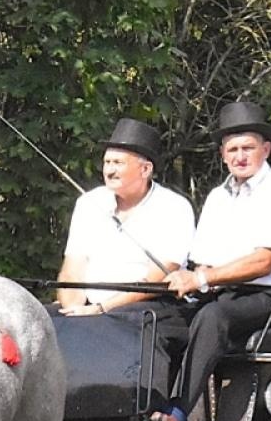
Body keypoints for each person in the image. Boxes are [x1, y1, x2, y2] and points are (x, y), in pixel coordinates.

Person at [152, 101, 271, 421]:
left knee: (214, 317)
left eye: (248, 148)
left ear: (265, 150)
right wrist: (189, 281)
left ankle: (177, 414)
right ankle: (145, 410)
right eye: (232, 149)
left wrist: (202, 278)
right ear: (223, 154)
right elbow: (203, 260)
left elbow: (263, 261)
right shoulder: (216, 198)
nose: (240, 156)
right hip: (226, 294)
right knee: (160, 318)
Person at [57, 118, 194, 316]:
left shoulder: (174, 207)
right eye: (107, 163)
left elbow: (157, 278)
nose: (109, 171)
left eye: (118, 163)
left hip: (147, 306)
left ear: (145, 169)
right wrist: (73, 310)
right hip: (88, 309)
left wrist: (101, 309)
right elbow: (72, 269)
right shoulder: (88, 202)